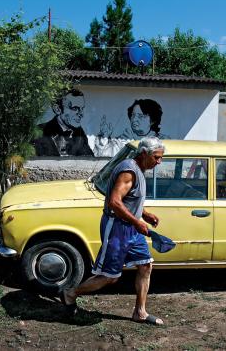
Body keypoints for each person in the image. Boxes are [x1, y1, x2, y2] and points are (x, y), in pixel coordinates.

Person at [61, 137, 165, 326]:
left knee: (145, 266)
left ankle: (140, 312)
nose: (159, 162)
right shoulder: (128, 172)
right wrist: (137, 221)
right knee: (110, 277)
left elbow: (129, 199)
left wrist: (145, 214)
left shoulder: (140, 168)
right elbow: (115, 202)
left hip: (131, 228)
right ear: (144, 154)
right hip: (117, 227)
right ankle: (70, 293)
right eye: (157, 157)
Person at [94, 99, 168, 157]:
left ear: (153, 120)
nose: (134, 119)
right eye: (133, 115)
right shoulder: (122, 141)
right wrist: (104, 137)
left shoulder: (162, 142)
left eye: (140, 116)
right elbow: (103, 155)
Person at [33, 88, 94, 156]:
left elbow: (89, 159)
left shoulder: (79, 132)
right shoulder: (39, 132)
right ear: (57, 109)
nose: (81, 114)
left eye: (82, 108)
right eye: (75, 108)